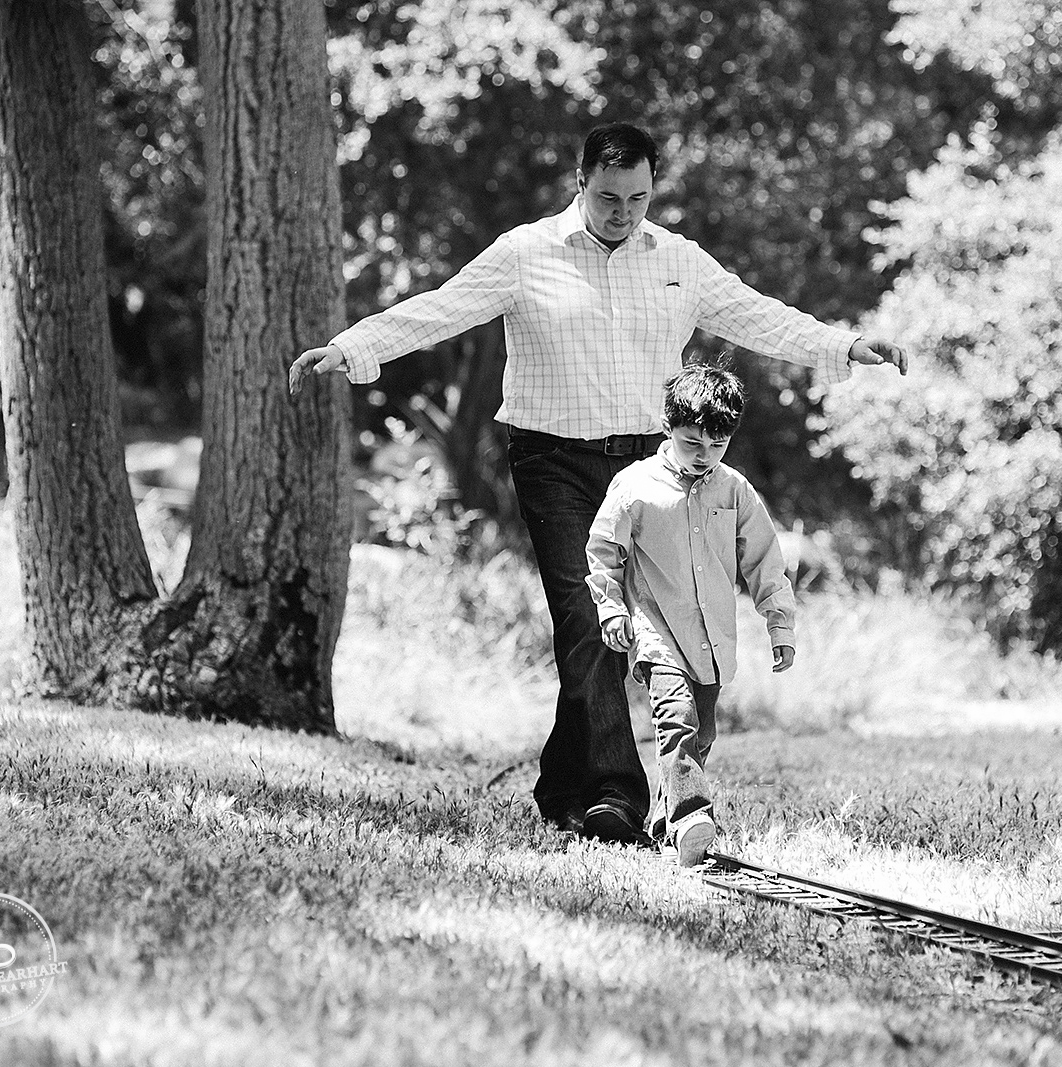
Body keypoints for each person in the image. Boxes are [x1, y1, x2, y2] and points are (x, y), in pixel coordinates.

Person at [289, 122, 905, 845]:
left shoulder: (678, 261)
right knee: (589, 619)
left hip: (649, 465)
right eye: (609, 197)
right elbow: (439, 308)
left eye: (639, 198)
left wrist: (845, 344)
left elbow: (756, 313)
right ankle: (616, 793)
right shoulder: (525, 254)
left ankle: (562, 780)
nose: (624, 212)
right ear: (578, 180)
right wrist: (352, 347)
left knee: (631, 632)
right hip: (552, 458)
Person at [585, 365, 790, 866]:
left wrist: (779, 624)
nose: (705, 456)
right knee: (675, 720)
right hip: (656, 630)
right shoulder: (634, 486)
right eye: (692, 443)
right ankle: (694, 815)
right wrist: (611, 608)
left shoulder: (735, 490)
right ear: (667, 427)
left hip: (712, 637)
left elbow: (764, 560)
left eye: (717, 445)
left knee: (700, 736)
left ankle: (666, 822)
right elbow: (603, 551)